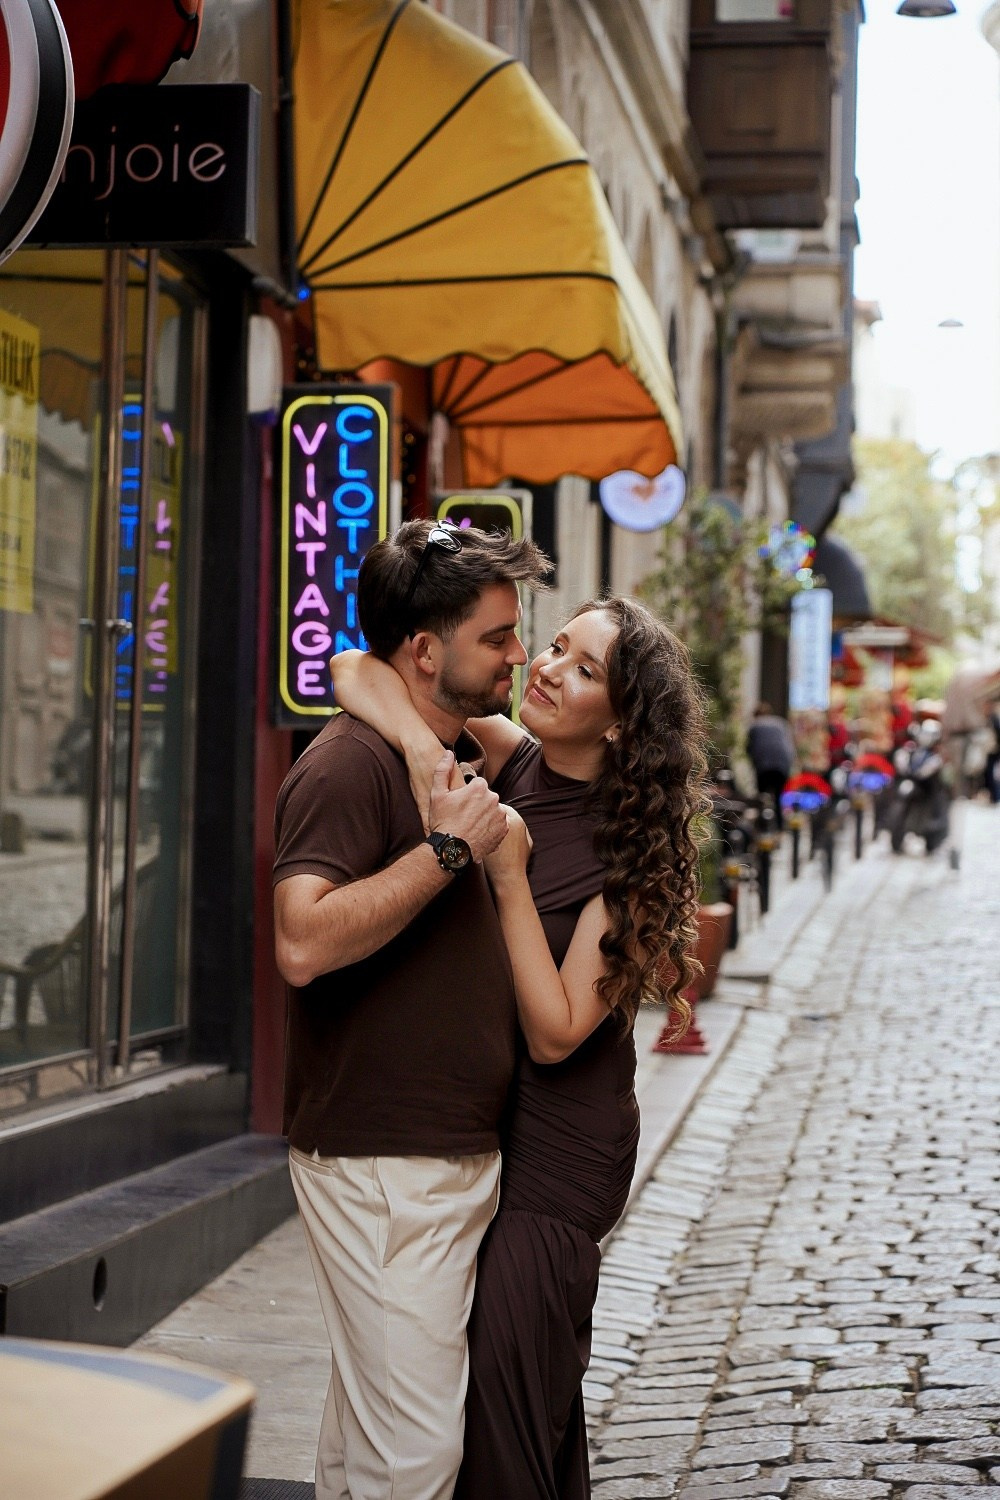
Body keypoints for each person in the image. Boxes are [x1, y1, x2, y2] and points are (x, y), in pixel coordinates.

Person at [331, 594, 708, 1498]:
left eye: (584, 671)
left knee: (504, 1397)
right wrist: (430, 751)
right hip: (487, 1127)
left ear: (622, 725)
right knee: (510, 1396)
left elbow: (555, 1032)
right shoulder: (518, 756)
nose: (546, 667)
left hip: (560, 1155)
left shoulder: (629, 859)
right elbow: (354, 671)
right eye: (556, 645)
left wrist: (506, 870)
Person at [273, 519, 550, 1500]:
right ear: (426, 651)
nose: (520, 655)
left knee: (370, 1443)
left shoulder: (457, 754)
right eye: (500, 637)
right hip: (385, 1164)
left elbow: (355, 663)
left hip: (439, 1158)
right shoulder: (349, 765)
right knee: (415, 1455)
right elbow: (301, 942)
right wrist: (443, 854)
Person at [746, 701, 795, 831]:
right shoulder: (781, 723)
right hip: (782, 765)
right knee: (778, 798)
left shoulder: (754, 726)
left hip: (763, 766)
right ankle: (780, 828)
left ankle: (762, 828)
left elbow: (749, 749)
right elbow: (789, 746)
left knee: (762, 798)